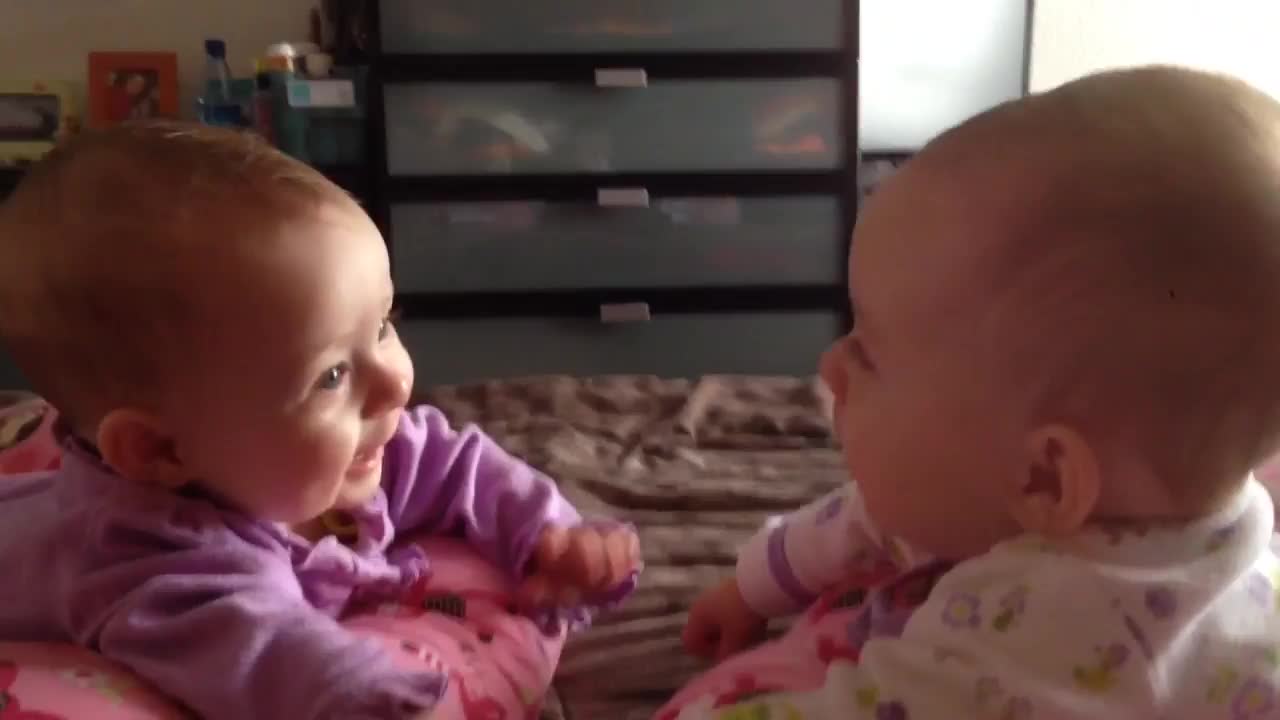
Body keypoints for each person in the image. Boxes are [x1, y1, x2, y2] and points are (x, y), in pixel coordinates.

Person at [661, 65, 1280, 719]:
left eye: (868, 351)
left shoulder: (1039, 654)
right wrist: (753, 589)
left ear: (1046, 477)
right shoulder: (1021, 490)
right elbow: (871, 518)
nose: (830, 367)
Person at [0, 121, 641, 719]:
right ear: (160, 450)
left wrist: (552, 536)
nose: (395, 384)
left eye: (384, 327)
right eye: (331, 375)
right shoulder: (153, 565)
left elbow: (452, 462)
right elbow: (276, 656)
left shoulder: (285, 452)